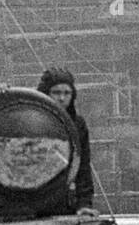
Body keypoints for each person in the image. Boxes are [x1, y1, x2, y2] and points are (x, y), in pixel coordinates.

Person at [36, 68, 95, 212]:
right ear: (45, 94)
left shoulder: (77, 125)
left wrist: (84, 204)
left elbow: (83, 167)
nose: (62, 98)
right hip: (27, 198)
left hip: (63, 200)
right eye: (56, 93)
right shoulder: (30, 119)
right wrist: (1, 94)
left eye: (67, 93)